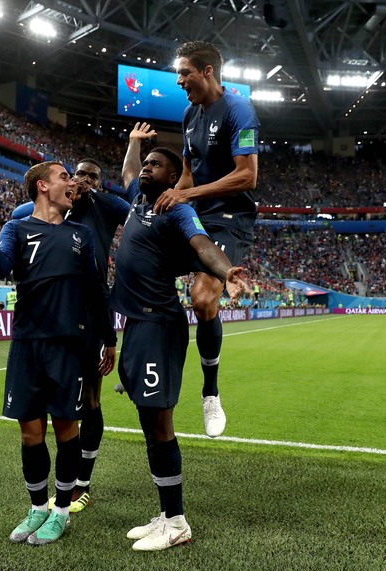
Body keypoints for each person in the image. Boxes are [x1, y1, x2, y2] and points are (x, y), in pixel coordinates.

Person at [0, 161, 117, 546]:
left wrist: (109, 339)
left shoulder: (81, 235)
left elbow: (94, 291)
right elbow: (1, 267)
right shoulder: (16, 229)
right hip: (27, 345)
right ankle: (37, 508)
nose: (72, 183)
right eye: (64, 177)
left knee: (67, 430)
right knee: (30, 432)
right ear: (42, 187)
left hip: (68, 346)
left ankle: (62, 512)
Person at [112, 146, 249, 551]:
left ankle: (177, 523)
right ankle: (165, 513)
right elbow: (128, 173)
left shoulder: (177, 210)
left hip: (159, 323)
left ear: (173, 179)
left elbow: (203, 245)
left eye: (157, 165)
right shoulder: (138, 198)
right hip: (135, 324)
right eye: (147, 164)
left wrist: (228, 270)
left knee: (160, 425)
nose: (147, 169)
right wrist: (136, 145)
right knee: (146, 423)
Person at [150, 41, 261, 437]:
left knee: (201, 297)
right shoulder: (188, 114)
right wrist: (169, 202)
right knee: (145, 266)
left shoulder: (239, 110)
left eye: (185, 73)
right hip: (197, 211)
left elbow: (248, 176)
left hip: (230, 218)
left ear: (208, 71)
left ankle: (210, 395)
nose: (179, 81)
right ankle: (150, 359)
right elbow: (188, 174)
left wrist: (187, 195)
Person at [11, 157, 132, 513]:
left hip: (90, 314)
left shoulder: (104, 207)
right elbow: (23, 211)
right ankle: (58, 490)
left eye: (91, 176)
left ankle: (83, 482)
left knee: (90, 399)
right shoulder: (58, 209)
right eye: (76, 174)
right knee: (53, 406)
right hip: (54, 315)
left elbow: (133, 210)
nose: (81, 180)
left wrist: (94, 194)